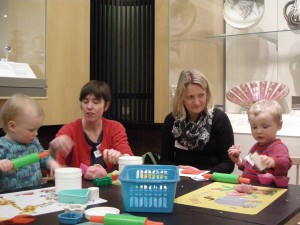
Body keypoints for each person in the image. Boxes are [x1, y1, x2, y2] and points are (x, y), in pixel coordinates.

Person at [49, 80, 133, 172]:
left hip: (109, 185)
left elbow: (129, 158)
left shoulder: (115, 128)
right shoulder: (68, 131)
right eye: (85, 102)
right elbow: (54, 169)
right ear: (81, 105)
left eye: (95, 102)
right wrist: (53, 151)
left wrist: (120, 157)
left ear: (106, 105)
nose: (89, 107)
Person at [160, 69, 235, 173]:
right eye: (190, 97)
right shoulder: (171, 120)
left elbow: (228, 163)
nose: (196, 102)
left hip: (211, 179)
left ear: (207, 94)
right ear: (181, 98)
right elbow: (165, 160)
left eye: (201, 95)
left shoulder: (219, 119)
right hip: (181, 178)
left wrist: (201, 173)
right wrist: (177, 170)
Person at [0, 94, 61, 193]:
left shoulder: (34, 142)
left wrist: (52, 163)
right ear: (12, 126)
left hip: (35, 194)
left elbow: (43, 158)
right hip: (10, 200)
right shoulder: (2, 146)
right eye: (31, 130)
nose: (36, 133)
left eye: (37, 129)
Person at [228, 99, 292, 181]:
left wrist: (272, 161)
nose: (258, 131)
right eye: (254, 127)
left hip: (268, 190)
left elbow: (286, 163)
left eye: (265, 126)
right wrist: (238, 161)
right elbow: (253, 166)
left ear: (279, 125)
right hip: (252, 188)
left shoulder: (278, 147)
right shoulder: (256, 147)